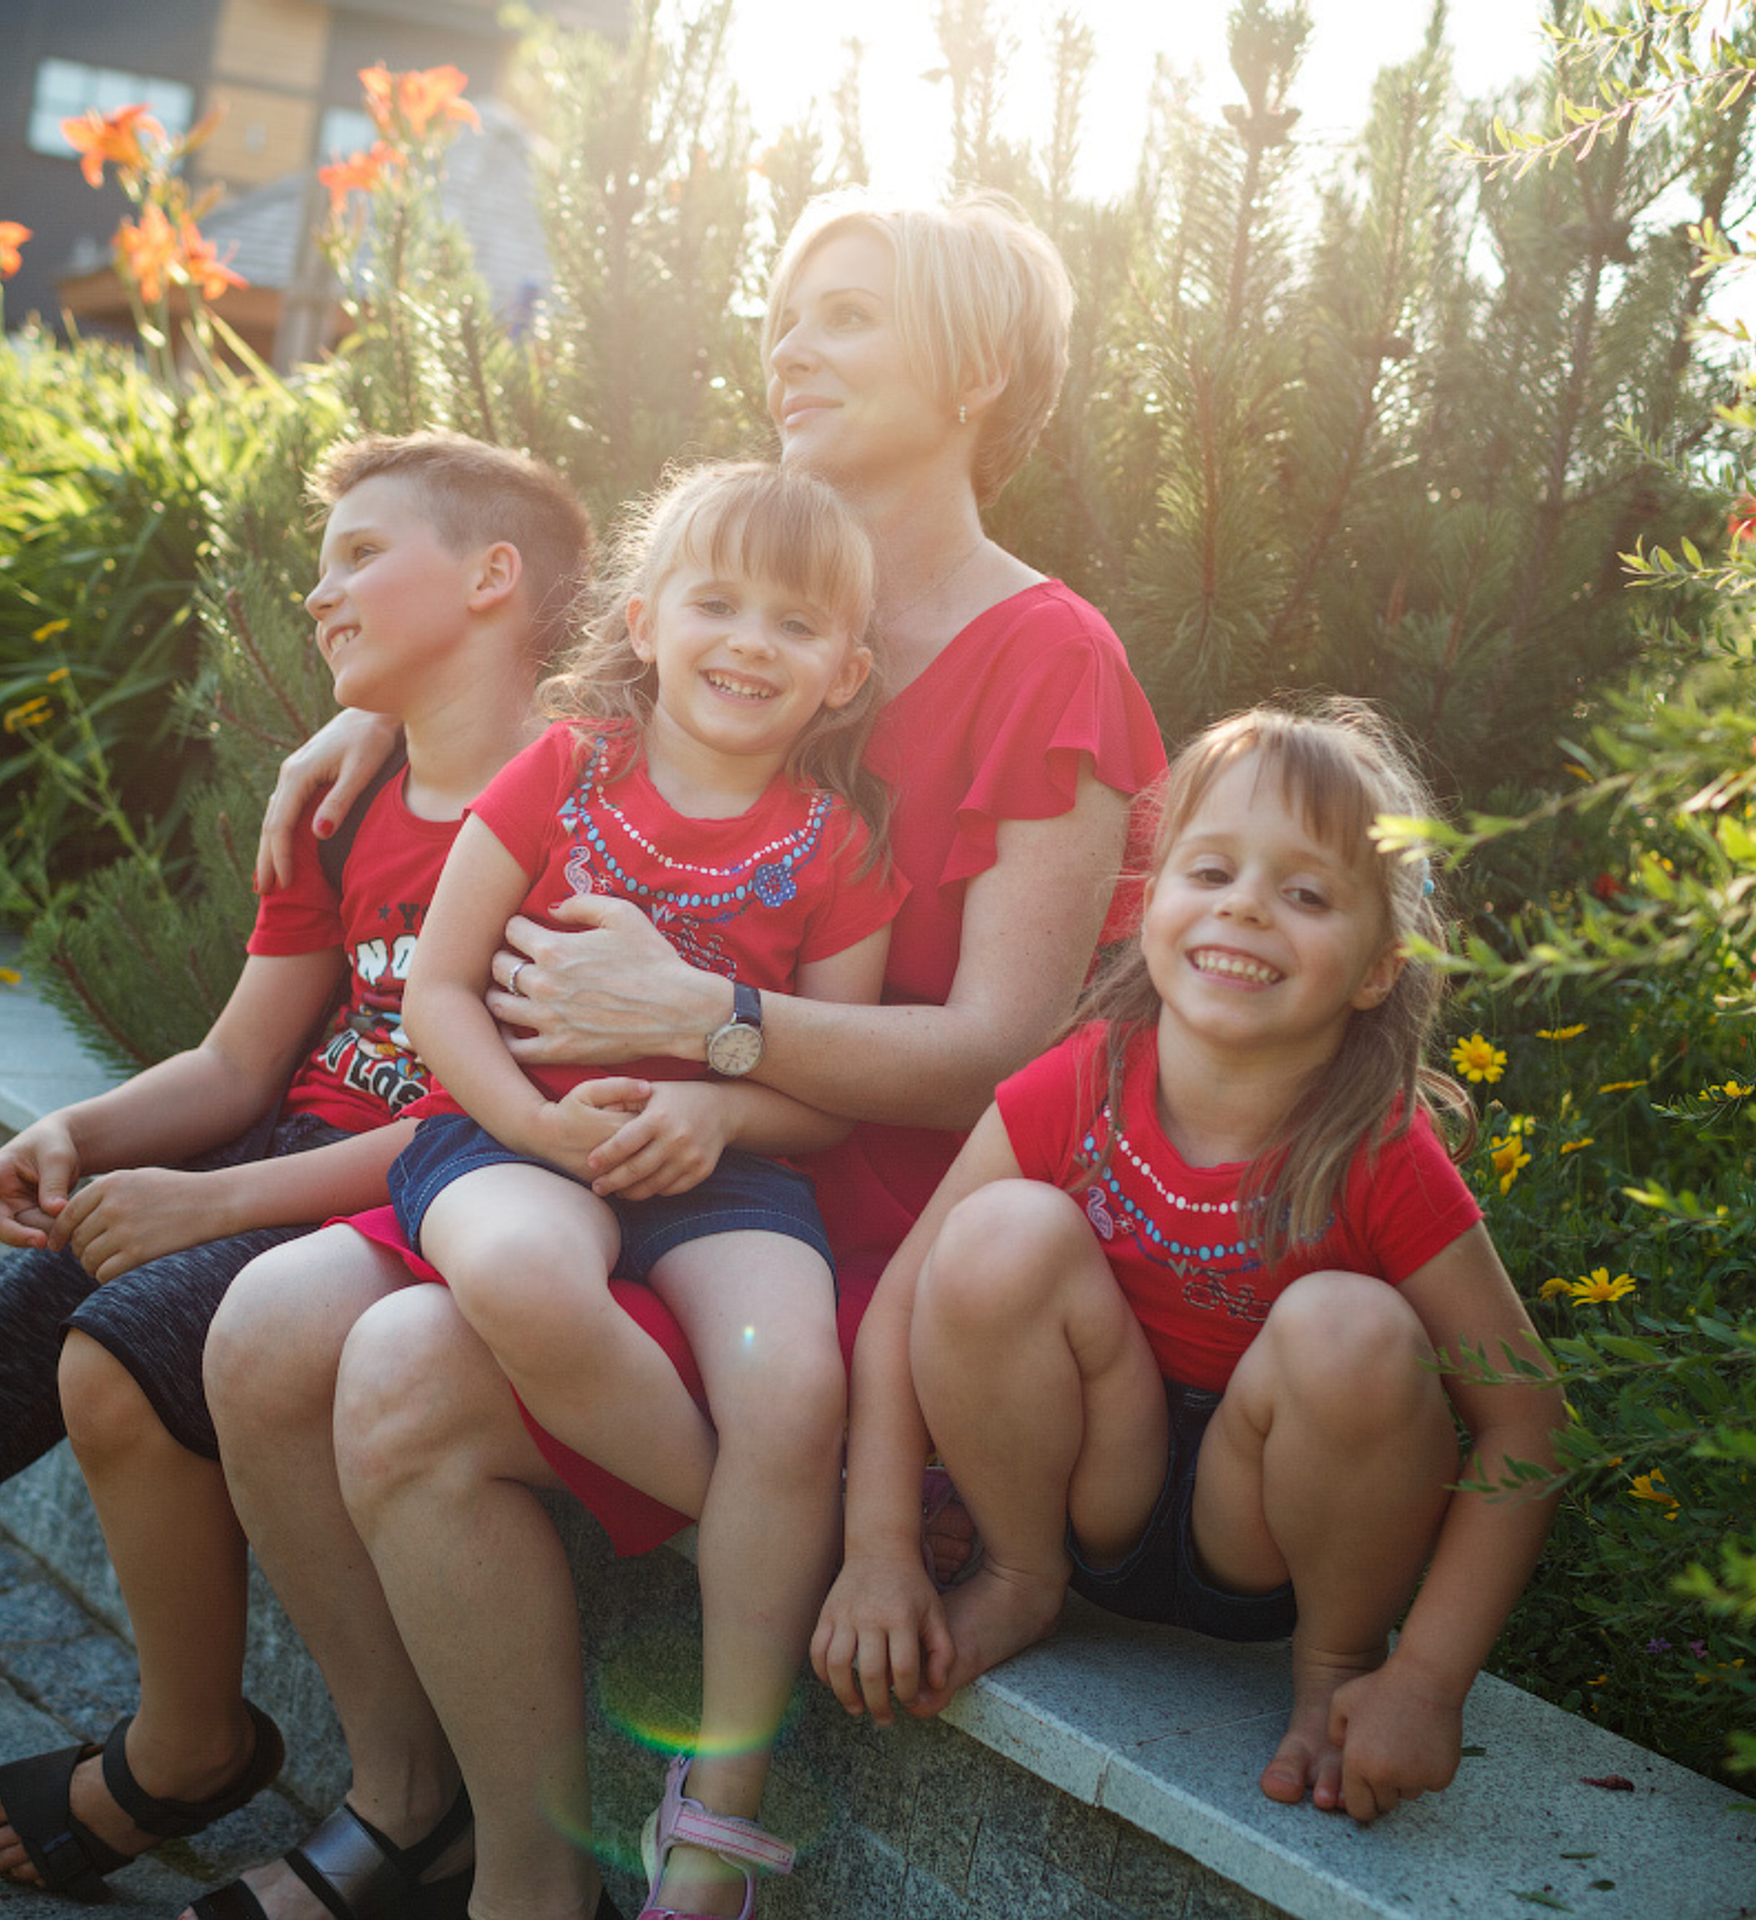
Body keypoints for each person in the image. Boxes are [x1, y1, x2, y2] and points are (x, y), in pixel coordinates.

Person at [204, 187, 1166, 1920]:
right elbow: (586, 700)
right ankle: (427, 1802)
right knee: (268, 1330)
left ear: (978, 366)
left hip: (854, 1206)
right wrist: (371, 705)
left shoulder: (1050, 658)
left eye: (850, 315)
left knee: (406, 1377)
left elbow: (1010, 1046)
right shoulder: (749, 592)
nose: (792, 345)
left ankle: (549, 1861)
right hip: (609, 1147)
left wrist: (708, 1026)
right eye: (786, 311)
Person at [0, 428, 588, 1903]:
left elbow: (504, 1116)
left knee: (111, 1358)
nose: (320, 595)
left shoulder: (582, 809)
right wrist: (79, 1132)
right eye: (320, 566)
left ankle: (188, 1749)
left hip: (412, 1194)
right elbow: (243, 1063)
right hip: (274, 1148)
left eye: (363, 554)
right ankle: (190, 1746)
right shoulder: (348, 800)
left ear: (498, 578)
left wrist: (214, 1197)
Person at [810, 701, 1569, 1826]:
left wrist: (1425, 1679)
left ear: (1376, 968)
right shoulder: (1082, 1079)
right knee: (994, 1236)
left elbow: (1527, 1422)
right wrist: (877, 1548)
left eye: (1306, 894)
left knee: (1349, 1326)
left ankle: (1333, 1674)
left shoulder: (1379, 1152)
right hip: (1088, 1488)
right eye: (1210, 870)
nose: (1246, 906)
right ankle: (1021, 1581)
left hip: (1267, 1526)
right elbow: (902, 1313)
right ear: (1153, 899)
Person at [363, 459, 903, 1918]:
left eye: (795, 625)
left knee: (794, 1382)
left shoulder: (840, 847)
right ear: (648, 619)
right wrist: (534, 1132)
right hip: (509, 1139)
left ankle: (720, 1813)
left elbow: (829, 1088)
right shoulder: (564, 769)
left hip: (722, 1167)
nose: (748, 642)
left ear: (844, 671)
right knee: (528, 1274)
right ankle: (760, 1532)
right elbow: (439, 993)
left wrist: (716, 1107)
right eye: (716, 603)